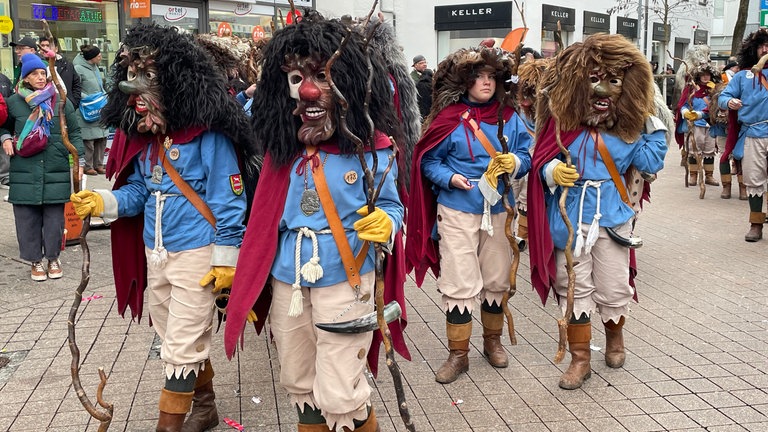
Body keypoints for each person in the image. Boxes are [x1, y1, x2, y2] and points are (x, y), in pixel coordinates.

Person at [224, 12, 407, 432]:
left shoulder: (374, 149)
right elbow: (263, 219)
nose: (307, 90)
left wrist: (386, 221)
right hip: (288, 277)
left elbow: (394, 206)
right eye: (297, 79)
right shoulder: (280, 151)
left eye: (322, 77)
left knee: (341, 387)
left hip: (347, 274)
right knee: (298, 377)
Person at [70, 24, 258, 432]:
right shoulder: (150, 138)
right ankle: (205, 407)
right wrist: (104, 202)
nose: (134, 90)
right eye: (131, 75)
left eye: (147, 76)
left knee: (181, 344)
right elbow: (140, 191)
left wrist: (226, 259)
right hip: (156, 252)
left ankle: (167, 427)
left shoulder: (209, 137)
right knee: (174, 334)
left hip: (198, 254)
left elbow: (230, 202)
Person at [528, 34, 668, 390]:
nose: (603, 89)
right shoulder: (562, 126)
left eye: (614, 81)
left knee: (614, 285)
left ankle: (615, 340)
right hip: (570, 217)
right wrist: (551, 171)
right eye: (593, 80)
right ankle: (580, 359)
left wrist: (651, 119)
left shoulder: (627, 130)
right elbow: (539, 164)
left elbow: (651, 163)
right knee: (573, 286)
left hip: (612, 217)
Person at [406, 46, 533, 384]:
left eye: (491, 76)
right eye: (479, 76)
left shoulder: (509, 118)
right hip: (457, 210)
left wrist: (514, 162)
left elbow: (526, 155)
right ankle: (458, 354)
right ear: (466, 81)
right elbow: (428, 161)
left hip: (499, 209)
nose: (486, 82)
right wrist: (450, 178)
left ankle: (492, 343)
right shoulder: (449, 118)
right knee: (459, 282)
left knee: (496, 280)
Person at [1, 53, 83, 281]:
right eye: (34, 73)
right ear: (25, 78)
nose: (39, 77)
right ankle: (35, 261)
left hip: (55, 166)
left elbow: (75, 132)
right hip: (24, 168)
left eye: (42, 73)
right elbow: (3, 125)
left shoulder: (60, 101)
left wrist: (80, 162)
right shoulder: (13, 102)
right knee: (27, 219)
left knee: (55, 220)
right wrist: (5, 138)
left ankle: (53, 258)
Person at [718, 28, 768, 242]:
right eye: (761, 46)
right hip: (753, 134)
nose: (765, 50)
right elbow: (723, 97)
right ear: (753, 49)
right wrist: (730, 102)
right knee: (754, 180)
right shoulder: (741, 76)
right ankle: (756, 224)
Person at [677, 64, 720, 187]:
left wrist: (715, 93)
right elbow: (683, 104)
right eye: (702, 75)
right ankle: (693, 175)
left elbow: (718, 105)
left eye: (708, 75)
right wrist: (685, 112)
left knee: (710, 150)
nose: (705, 77)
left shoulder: (715, 89)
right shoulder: (691, 89)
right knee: (694, 150)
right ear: (698, 76)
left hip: (710, 124)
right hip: (695, 124)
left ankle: (709, 176)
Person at [73, 44, 108, 176]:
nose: (100, 57)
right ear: (91, 57)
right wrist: (87, 99)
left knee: (101, 137)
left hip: (98, 106)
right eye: (98, 55)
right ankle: (88, 166)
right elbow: (75, 87)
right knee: (89, 139)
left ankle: (99, 164)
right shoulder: (78, 68)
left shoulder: (95, 67)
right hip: (86, 108)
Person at [39, 36, 82, 109]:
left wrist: (73, 103)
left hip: (67, 107)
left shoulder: (67, 65)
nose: (45, 48)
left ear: (56, 49)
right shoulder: (36, 66)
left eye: (48, 46)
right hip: (47, 109)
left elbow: (76, 85)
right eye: (42, 46)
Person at [0, 72, 12, 189]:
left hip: (4, 118)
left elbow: (10, 95)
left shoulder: (4, 79)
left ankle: (5, 178)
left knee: (4, 149)